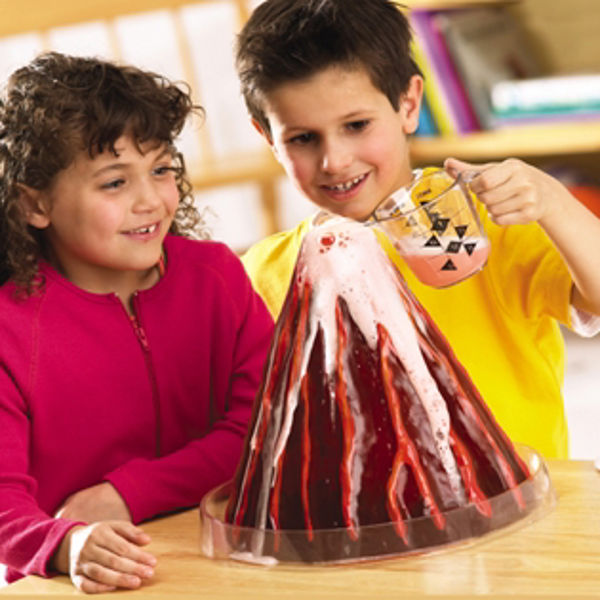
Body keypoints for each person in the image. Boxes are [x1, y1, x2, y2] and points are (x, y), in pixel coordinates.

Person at [234, 0, 600, 461]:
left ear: (408, 104)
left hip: (522, 505)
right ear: (268, 138)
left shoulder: (483, 219)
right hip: (370, 523)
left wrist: (554, 202)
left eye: (357, 125)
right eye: (302, 138)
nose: (335, 160)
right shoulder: (261, 273)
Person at [0, 52, 273, 593]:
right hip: (88, 581)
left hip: (232, 559)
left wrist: (127, 494)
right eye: (113, 183)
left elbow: (263, 430)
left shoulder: (218, 278)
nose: (150, 201)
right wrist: (66, 544)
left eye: (162, 169)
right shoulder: (8, 330)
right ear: (35, 204)